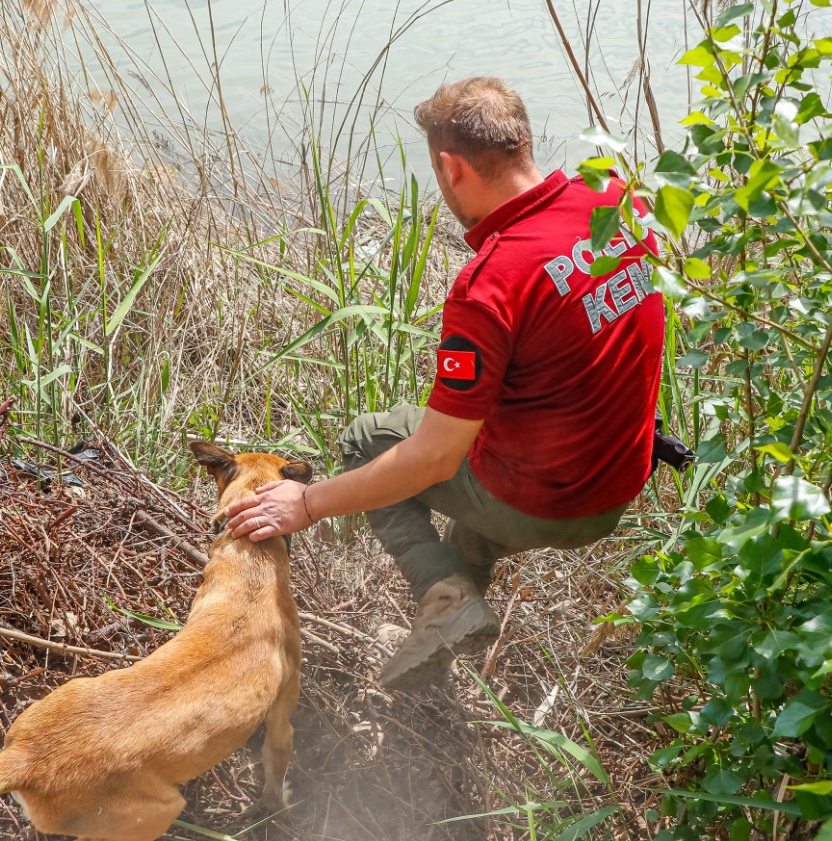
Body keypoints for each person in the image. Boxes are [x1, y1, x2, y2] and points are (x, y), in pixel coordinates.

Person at [222, 77, 664, 690]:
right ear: (521, 142)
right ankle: (457, 609)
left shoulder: (492, 284)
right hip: (620, 479)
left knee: (369, 439)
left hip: (550, 505)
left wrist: (308, 502)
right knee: (483, 453)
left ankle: (444, 596)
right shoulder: (619, 201)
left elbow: (434, 457)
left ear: (452, 168)